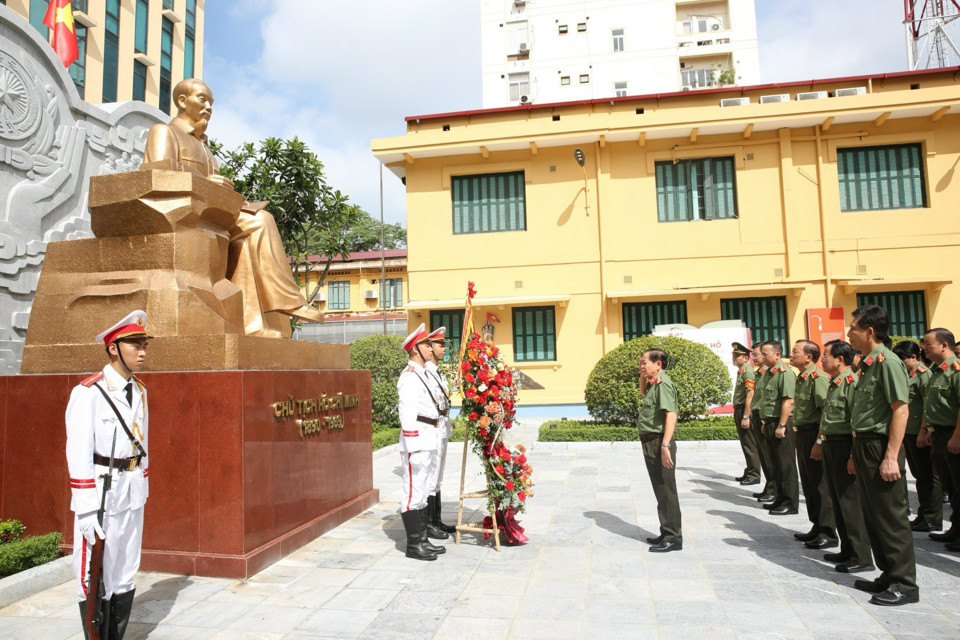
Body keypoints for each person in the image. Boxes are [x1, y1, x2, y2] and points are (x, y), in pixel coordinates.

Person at [142, 78, 322, 337]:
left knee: (246, 241)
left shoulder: (205, 147)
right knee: (261, 221)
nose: (208, 107)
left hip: (215, 216)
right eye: (202, 99)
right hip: (184, 215)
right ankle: (292, 301)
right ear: (182, 101)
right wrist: (204, 181)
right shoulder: (164, 132)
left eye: (211, 102)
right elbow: (156, 174)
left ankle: (252, 327)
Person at [66, 310, 152, 640]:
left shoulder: (140, 391)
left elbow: (142, 444)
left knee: (126, 570)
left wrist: (142, 485)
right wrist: (86, 508)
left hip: (131, 490)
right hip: (102, 491)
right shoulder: (88, 393)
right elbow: (77, 454)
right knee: (93, 574)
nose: (142, 351)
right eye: (135, 345)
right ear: (113, 348)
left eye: (145, 345)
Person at [847, 305, 918, 606]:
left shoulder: (888, 363)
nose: (849, 332)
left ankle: (904, 584)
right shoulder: (868, 364)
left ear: (870, 331)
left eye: (853, 327)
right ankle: (888, 575)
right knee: (873, 514)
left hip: (880, 446)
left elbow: (900, 409)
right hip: (864, 444)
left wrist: (890, 457)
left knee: (890, 516)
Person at [814, 340, 874, 573]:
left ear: (840, 359)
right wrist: (820, 442)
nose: (823, 359)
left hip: (844, 446)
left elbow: (854, 423)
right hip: (831, 444)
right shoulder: (834, 383)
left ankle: (861, 556)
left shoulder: (852, 383)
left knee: (850, 502)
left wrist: (852, 456)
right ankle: (847, 550)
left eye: (826, 355)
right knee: (838, 500)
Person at [396, 324, 446, 561]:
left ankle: (423, 539)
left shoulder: (423, 373)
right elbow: (407, 414)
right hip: (417, 441)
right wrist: (413, 447)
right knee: (413, 492)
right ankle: (414, 545)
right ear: (414, 349)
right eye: (426, 344)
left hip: (429, 437)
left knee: (423, 491)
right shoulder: (409, 377)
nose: (430, 348)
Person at [790, 340, 837, 548]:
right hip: (802, 434)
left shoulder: (817, 379)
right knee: (809, 483)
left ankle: (828, 531)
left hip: (813, 434)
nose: (791, 354)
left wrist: (819, 441)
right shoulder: (802, 378)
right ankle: (816, 525)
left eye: (795, 351)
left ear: (809, 357)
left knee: (820, 484)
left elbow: (822, 414)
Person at [918, 328, 960, 549]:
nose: (924, 347)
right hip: (939, 434)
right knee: (950, 485)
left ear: (944, 345)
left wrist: (956, 437)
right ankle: (955, 529)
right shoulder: (936, 371)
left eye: (928, 343)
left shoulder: (956, 371)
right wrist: (926, 430)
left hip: (953, 433)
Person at [893, 340, 941, 533]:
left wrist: (923, 430)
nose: (900, 363)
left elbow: (926, 406)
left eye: (902, 359)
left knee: (928, 476)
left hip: (918, 432)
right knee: (919, 475)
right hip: (909, 432)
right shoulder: (909, 374)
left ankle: (932, 517)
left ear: (914, 357)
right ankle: (924, 513)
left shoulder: (923, 375)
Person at [638, 348, 682, 552]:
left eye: (645, 361)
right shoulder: (655, 383)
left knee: (666, 490)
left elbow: (671, 415)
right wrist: (642, 374)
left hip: (658, 442)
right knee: (660, 489)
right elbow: (642, 392)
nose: (642, 364)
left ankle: (673, 537)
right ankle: (666, 531)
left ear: (659, 364)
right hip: (651, 441)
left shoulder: (664, 384)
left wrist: (665, 445)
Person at [757, 340, 799, 515]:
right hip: (770, 423)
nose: (763, 357)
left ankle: (790, 502)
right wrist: (766, 423)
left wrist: (781, 425)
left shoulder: (785, 373)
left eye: (766, 354)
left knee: (786, 465)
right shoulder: (769, 373)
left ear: (777, 355)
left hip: (781, 423)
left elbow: (788, 401)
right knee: (775, 464)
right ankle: (780, 498)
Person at [424, 326, 456, 537]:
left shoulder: (439, 373)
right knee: (430, 475)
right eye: (439, 344)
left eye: (444, 344)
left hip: (442, 428)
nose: (443, 348)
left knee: (438, 476)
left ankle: (437, 520)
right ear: (429, 347)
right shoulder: (425, 373)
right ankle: (428, 524)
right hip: (431, 430)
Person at [731, 342, 761, 486]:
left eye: (737, 356)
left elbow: (750, 394)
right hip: (739, 409)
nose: (734, 358)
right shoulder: (742, 371)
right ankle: (750, 469)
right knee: (745, 442)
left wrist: (746, 416)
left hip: (744, 409)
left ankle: (754, 474)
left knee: (749, 443)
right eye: (733, 355)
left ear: (745, 357)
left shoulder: (748, 371)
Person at [751, 344, 777, 504]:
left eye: (758, 355)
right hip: (760, 415)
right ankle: (770, 486)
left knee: (770, 457)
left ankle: (774, 489)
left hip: (767, 417)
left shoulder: (772, 374)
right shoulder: (761, 374)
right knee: (764, 454)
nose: (756, 358)